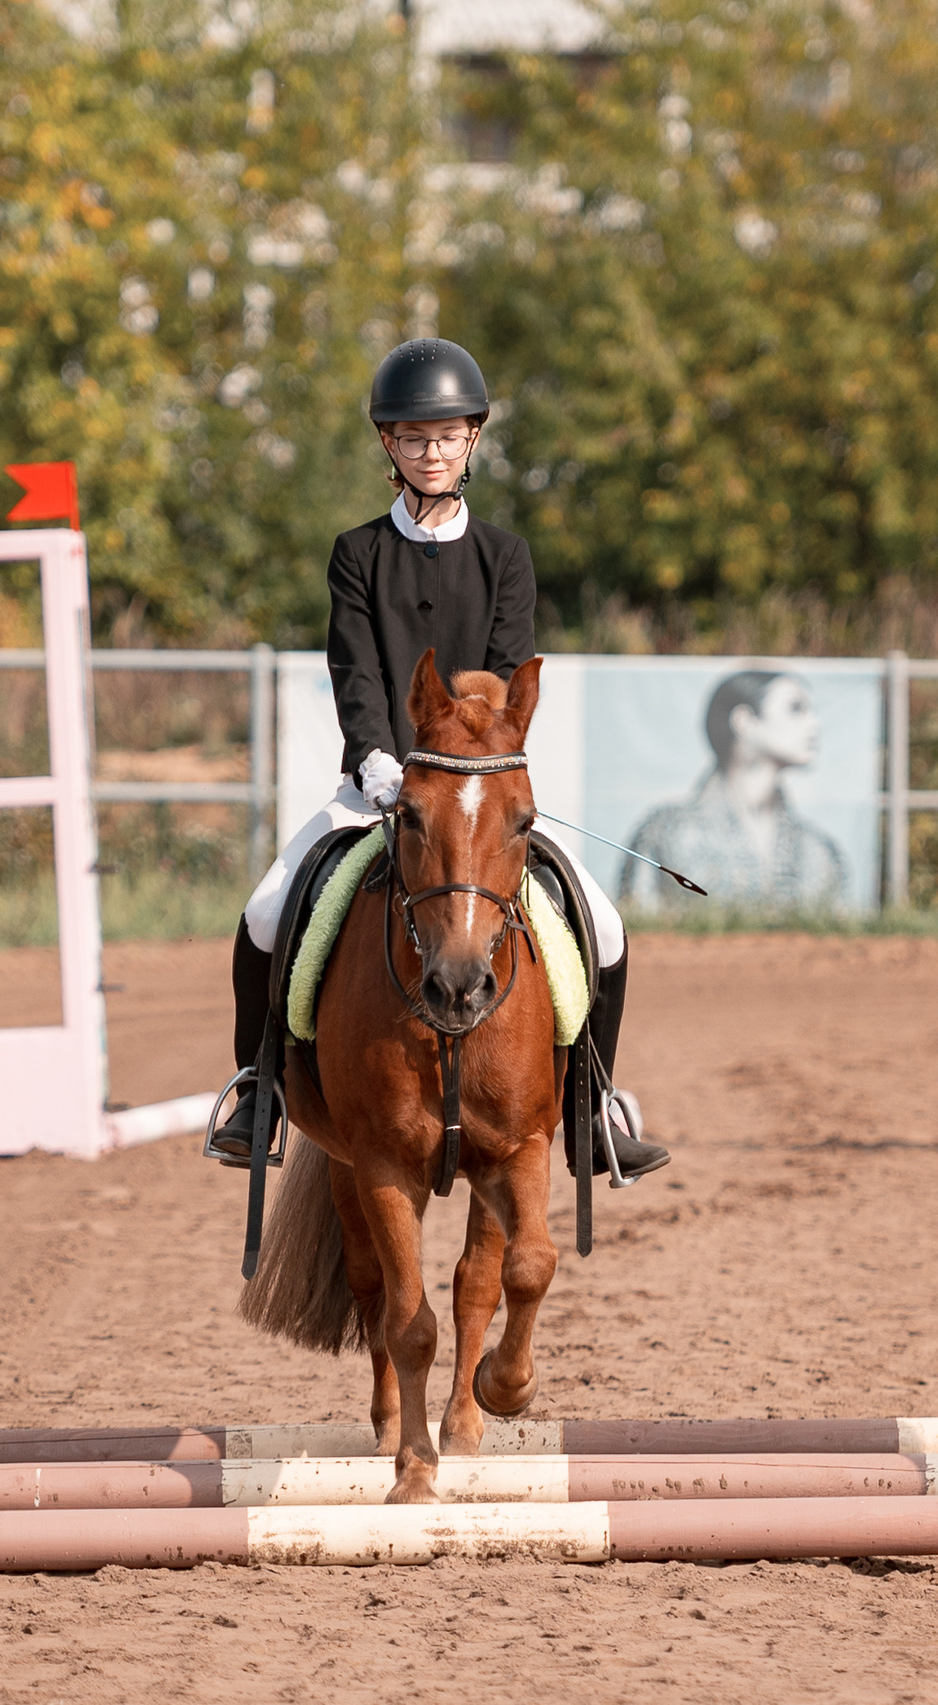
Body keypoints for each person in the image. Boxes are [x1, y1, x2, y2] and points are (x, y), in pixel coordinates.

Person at [206, 337, 668, 1179]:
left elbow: (503, 677)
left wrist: (468, 767)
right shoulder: (358, 554)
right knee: (268, 909)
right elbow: (355, 670)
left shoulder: (505, 557)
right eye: (414, 437)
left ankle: (590, 1106)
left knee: (599, 922)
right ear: (389, 443)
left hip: (477, 789)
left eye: (447, 435)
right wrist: (378, 763)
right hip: (380, 785)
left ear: (473, 441)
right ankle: (258, 1090)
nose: (431, 450)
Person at [622, 669, 848, 911]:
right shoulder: (665, 833)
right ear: (744, 721)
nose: (815, 724)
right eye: (795, 709)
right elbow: (632, 925)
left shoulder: (817, 849)